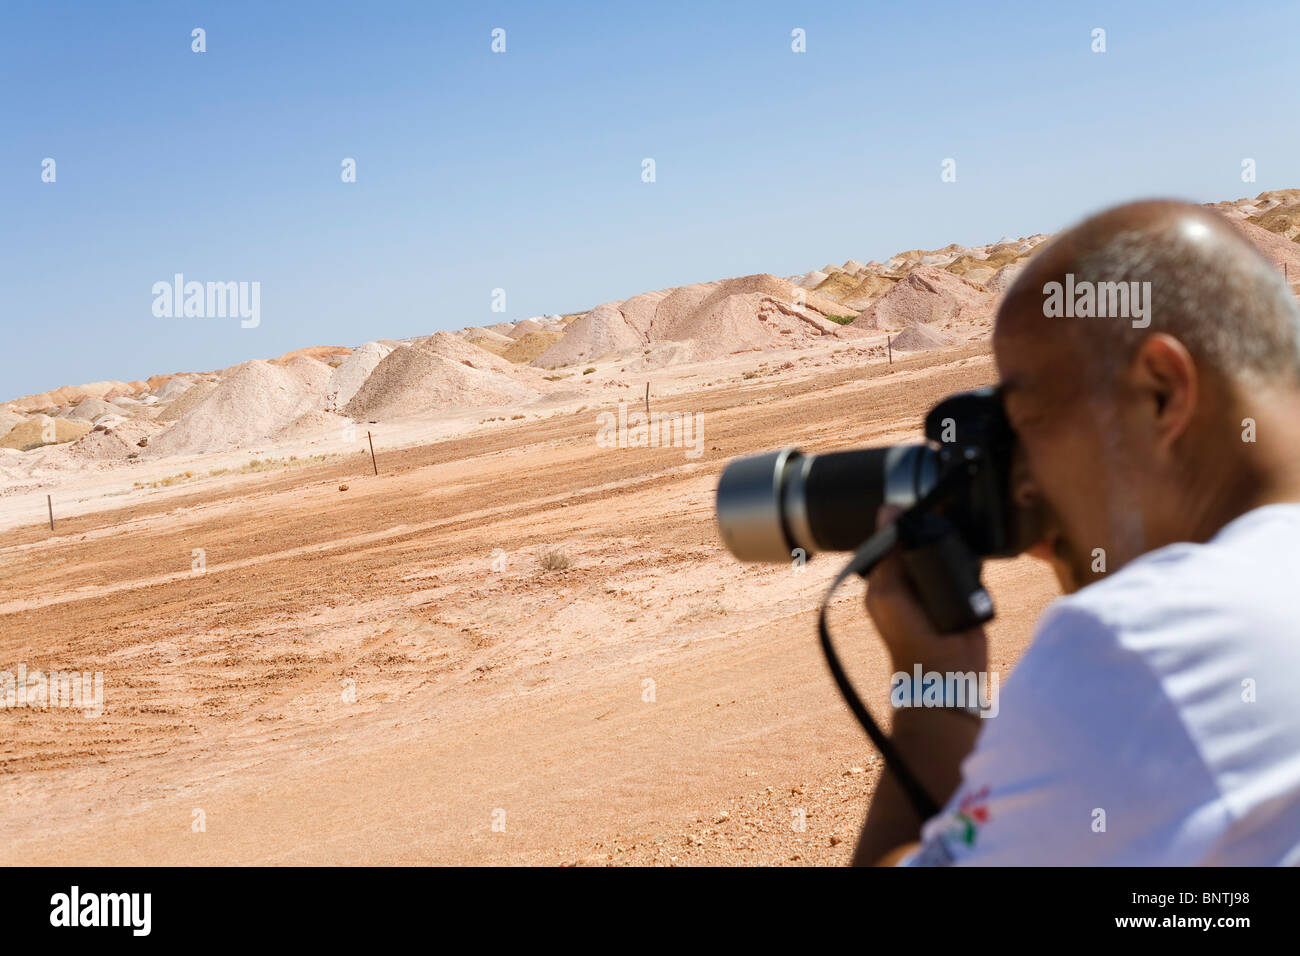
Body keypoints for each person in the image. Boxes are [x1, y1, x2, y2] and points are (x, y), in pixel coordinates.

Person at [854, 199, 1300, 865]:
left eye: (1027, 421)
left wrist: (934, 685)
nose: (1023, 484)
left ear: (1162, 392)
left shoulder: (1144, 639)